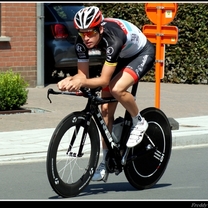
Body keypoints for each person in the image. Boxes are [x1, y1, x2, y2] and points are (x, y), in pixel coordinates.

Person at [57, 6, 156, 182]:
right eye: (82, 33)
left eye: (90, 33)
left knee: (117, 88)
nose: (86, 38)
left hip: (141, 53)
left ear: (100, 28)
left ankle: (138, 121)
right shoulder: (81, 41)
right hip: (120, 57)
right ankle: (104, 163)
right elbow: (83, 76)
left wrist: (81, 82)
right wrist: (71, 81)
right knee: (104, 112)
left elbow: (103, 81)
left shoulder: (113, 38)